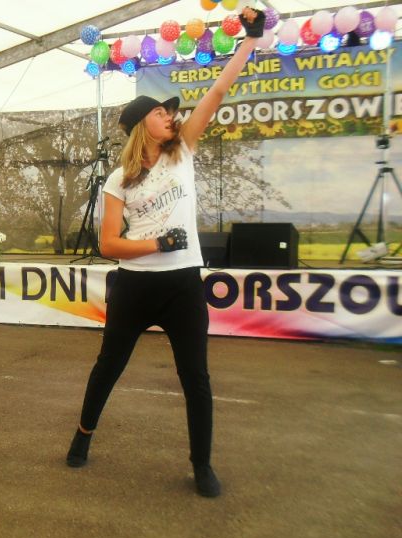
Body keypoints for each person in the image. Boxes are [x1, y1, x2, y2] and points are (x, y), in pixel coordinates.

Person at [65, 10, 266, 497]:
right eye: (161, 113)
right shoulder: (119, 179)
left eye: (171, 113)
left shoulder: (183, 152)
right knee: (109, 366)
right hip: (135, 286)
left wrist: (250, 40)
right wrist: (157, 244)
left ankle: (202, 464)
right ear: (142, 126)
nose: (171, 117)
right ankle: (82, 435)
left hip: (182, 284)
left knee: (195, 376)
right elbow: (108, 244)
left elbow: (217, 92)